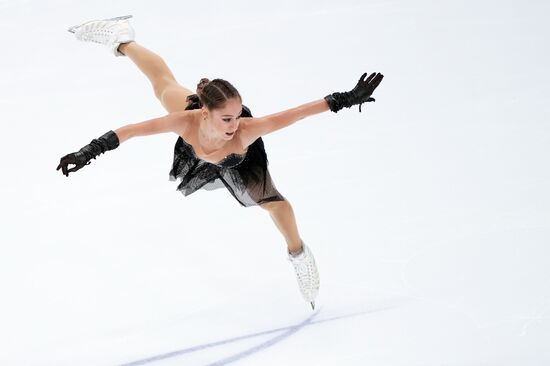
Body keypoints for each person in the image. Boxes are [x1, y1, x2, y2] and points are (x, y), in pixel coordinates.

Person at [57, 15, 384, 310]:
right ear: (203, 111)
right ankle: (122, 37)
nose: (234, 124)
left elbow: (296, 113)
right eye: (226, 118)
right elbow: (130, 131)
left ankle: (299, 255)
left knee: (275, 204)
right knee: (163, 85)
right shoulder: (185, 121)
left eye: (238, 115)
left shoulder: (245, 131)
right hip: (198, 140)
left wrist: (344, 99)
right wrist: (89, 151)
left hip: (241, 161)